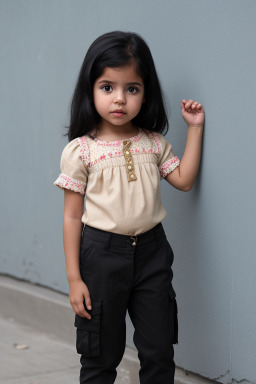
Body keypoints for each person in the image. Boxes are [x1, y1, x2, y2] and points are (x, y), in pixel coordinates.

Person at [53, 30, 204, 384]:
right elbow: (72, 215)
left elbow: (183, 180)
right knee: (100, 354)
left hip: (153, 253)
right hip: (101, 256)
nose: (119, 99)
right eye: (108, 87)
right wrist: (75, 278)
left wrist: (194, 129)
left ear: (144, 92)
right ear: (90, 89)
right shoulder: (82, 150)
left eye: (131, 89)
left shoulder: (153, 143)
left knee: (158, 350)